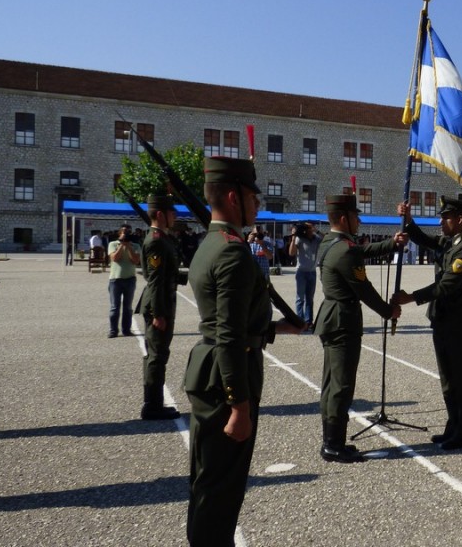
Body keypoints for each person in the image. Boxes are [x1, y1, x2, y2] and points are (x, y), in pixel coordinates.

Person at [184, 156, 303, 546]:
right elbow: (229, 335)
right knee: (221, 488)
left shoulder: (212, 244)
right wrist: (239, 406)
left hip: (211, 371)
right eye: (254, 197)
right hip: (226, 380)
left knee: (209, 480)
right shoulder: (233, 252)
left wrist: (273, 328)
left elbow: (231, 322)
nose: (258, 205)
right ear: (235, 197)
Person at [314, 195, 403, 463]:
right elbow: (365, 290)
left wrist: (391, 244)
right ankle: (333, 445)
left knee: (331, 383)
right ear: (344, 218)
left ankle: (332, 441)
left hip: (330, 318)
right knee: (341, 385)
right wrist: (389, 312)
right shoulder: (346, 249)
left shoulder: (330, 243)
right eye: (356, 215)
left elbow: (359, 252)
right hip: (344, 321)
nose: (359, 220)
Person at [393, 196, 462, 451]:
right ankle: (453, 424)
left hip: (456, 321)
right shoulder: (448, 243)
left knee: (461, 377)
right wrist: (408, 221)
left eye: (446, 217)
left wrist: (410, 298)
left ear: (460, 220)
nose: (441, 221)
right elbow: (424, 239)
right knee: (448, 378)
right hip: (441, 318)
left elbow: (446, 285)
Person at [136, 195, 184, 421]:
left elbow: (167, 273)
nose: (174, 215)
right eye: (171, 211)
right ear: (160, 214)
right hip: (159, 303)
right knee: (157, 355)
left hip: (163, 299)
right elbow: (155, 279)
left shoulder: (162, 238)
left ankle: (153, 402)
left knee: (158, 354)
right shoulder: (156, 240)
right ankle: (152, 405)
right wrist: (158, 314)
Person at [107, 224, 141, 338]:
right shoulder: (112, 244)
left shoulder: (135, 246)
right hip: (115, 279)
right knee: (114, 307)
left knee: (128, 307)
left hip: (130, 279)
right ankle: (113, 330)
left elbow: (136, 261)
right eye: (123, 232)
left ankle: (126, 330)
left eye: (127, 232)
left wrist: (129, 246)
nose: (125, 234)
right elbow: (115, 258)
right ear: (119, 233)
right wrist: (121, 245)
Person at [289, 221, 323, 329]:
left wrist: (315, 230)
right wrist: (294, 238)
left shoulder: (317, 239)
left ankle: (308, 322)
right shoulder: (300, 238)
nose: (308, 230)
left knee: (310, 298)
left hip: (312, 272)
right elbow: (291, 253)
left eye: (310, 228)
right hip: (301, 272)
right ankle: (300, 322)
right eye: (306, 228)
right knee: (300, 299)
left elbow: (327, 239)